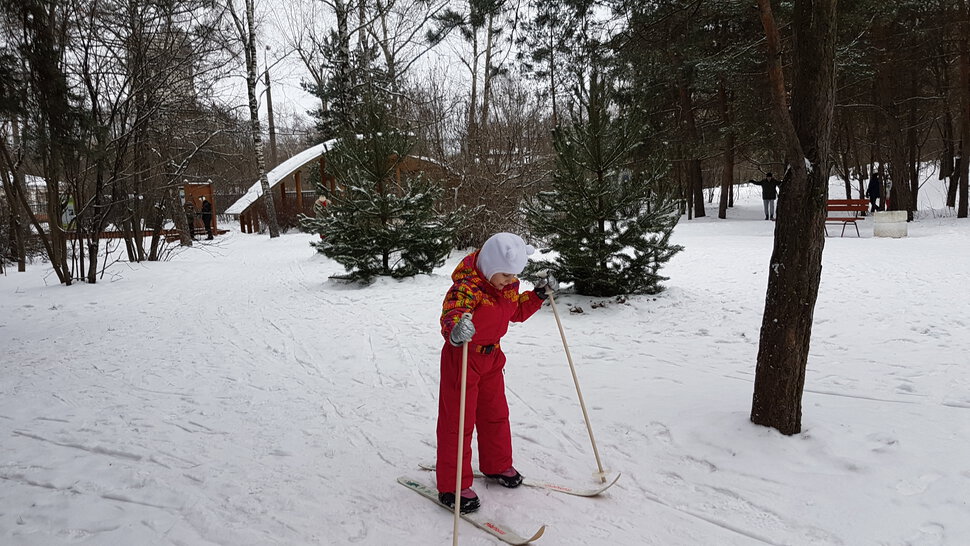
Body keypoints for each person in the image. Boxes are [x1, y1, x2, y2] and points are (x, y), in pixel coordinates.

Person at [436, 232, 558, 513]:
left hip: (492, 359)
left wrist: (538, 296)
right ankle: (452, 485)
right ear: (490, 266)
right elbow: (452, 312)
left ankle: (497, 464)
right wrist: (455, 329)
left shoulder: (507, 287)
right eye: (504, 274)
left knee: (495, 414)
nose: (511, 281)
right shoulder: (467, 288)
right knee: (459, 421)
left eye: (514, 275)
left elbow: (513, 311)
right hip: (463, 356)